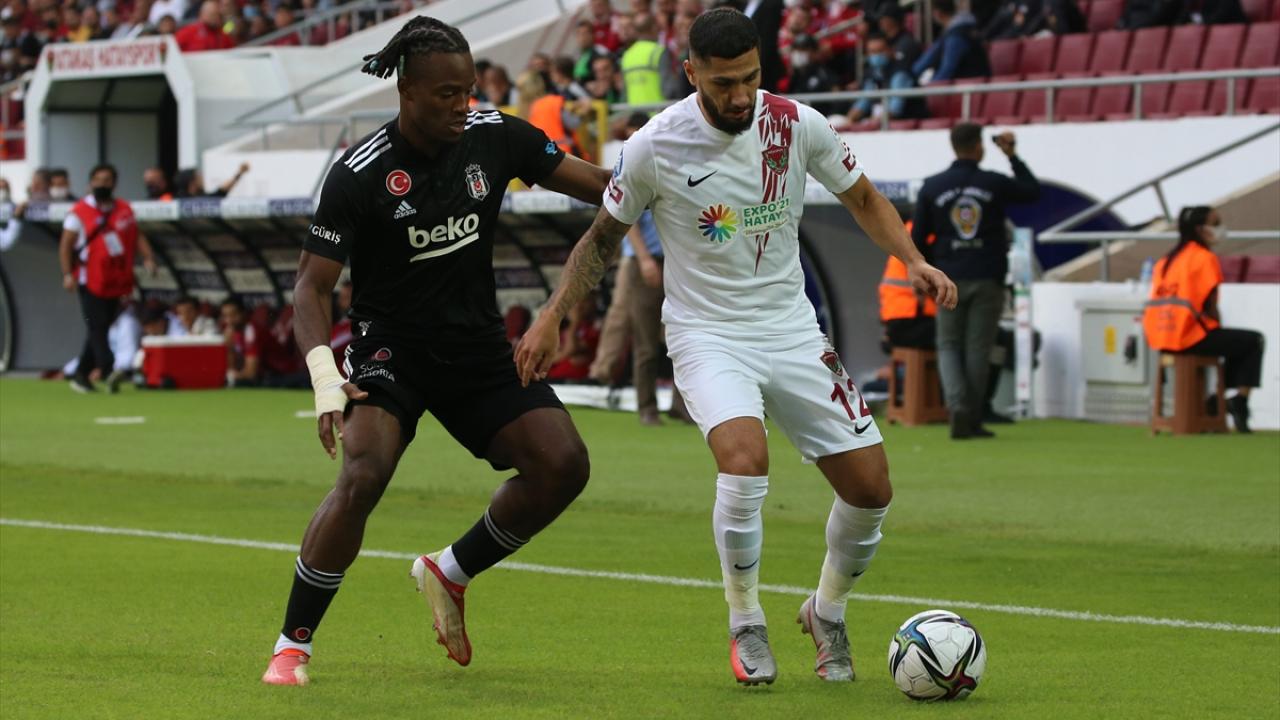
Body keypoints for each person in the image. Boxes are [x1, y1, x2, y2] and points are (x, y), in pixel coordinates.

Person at [517, 7, 956, 687]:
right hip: (707, 333)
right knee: (745, 463)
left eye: (749, 78)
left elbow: (865, 198)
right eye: (723, 83)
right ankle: (746, 620)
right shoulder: (653, 146)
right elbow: (601, 238)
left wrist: (914, 259)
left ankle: (827, 612)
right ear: (691, 72)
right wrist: (552, 316)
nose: (740, 95)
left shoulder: (797, 124)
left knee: (871, 489)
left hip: (791, 328)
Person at [260, 15, 613, 687]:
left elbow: (602, 185)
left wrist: (673, 168)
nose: (462, 105)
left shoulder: (496, 136)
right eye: (447, 94)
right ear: (408, 93)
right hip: (391, 351)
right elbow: (311, 286)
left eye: (469, 90)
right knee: (363, 473)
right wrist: (325, 377)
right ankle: (291, 645)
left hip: (476, 348)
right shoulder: (360, 172)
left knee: (563, 464)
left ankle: (449, 571)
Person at [911, 123, 1038, 439]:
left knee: (948, 345)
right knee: (978, 348)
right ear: (979, 146)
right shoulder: (992, 182)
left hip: (949, 277)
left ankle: (957, 407)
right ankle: (973, 415)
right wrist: (1012, 156)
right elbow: (1032, 191)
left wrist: (927, 272)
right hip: (987, 276)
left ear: (953, 146)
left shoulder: (933, 186)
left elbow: (917, 238)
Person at [1143, 206, 1264, 433]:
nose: (1220, 228)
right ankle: (1234, 400)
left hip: (1161, 337)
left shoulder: (1166, 261)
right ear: (1200, 229)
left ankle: (1217, 401)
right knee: (1253, 341)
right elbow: (1210, 305)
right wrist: (1216, 325)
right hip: (1189, 336)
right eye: (1215, 223)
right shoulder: (1204, 258)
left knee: (1233, 343)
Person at [58, 163, 158, 394]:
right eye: (98, 180)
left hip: (116, 278)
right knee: (98, 324)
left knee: (101, 325)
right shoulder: (79, 212)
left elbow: (136, 235)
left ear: (114, 183)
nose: (102, 184)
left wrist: (148, 258)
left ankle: (81, 374)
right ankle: (108, 367)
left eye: (107, 180)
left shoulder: (123, 209)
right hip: (89, 278)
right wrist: (67, 274)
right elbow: (66, 246)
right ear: (91, 182)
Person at [846, 34, 922, 125]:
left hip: (908, 125)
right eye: (872, 52)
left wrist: (872, 123)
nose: (876, 55)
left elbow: (894, 110)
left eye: (880, 51)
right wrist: (849, 120)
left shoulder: (900, 73)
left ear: (891, 50)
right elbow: (863, 102)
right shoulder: (872, 74)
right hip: (883, 124)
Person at [911, 0, 991, 84]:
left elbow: (946, 71)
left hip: (971, 87)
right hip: (972, 85)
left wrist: (929, 88)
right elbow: (924, 62)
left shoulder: (956, 36)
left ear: (937, 13)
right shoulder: (956, 31)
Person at [621, 12, 666, 107]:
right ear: (654, 28)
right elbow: (669, 89)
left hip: (635, 114)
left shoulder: (627, 55)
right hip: (659, 113)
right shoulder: (659, 51)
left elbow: (625, 93)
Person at [173, 163, 250, 198]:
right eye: (199, 177)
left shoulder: (203, 198)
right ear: (192, 184)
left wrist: (239, 173)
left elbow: (221, 191)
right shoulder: (179, 201)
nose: (202, 179)